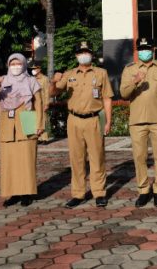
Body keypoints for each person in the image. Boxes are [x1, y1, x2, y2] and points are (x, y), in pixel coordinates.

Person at [50, 41, 113, 209]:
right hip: (74, 120)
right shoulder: (69, 74)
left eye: (86, 51)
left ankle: (99, 193)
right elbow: (54, 93)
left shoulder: (101, 73)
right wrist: (53, 82)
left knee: (97, 157)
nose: (83, 55)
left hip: (94, 119)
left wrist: (108, 121)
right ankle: (78, 194)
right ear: (76, 55)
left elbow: (107, 98)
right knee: (76, 159)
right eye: (80, 52)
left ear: (91, 54)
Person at [120, 37, 157, 208]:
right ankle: (143, 190)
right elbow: (123, 93)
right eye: (141, 48)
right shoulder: (130, 69)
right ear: (137, 50)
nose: (144, 51)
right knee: (139, 157)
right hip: (137, 121)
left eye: (147, 48)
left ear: (153, 49)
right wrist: (135, 81)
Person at [0, 54, 43, 207]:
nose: (16, 66)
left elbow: (39, 105)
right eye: (13, 63)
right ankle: (13, 193)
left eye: (19, 63)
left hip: (27, 119)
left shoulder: (31, 81)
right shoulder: (2, 81)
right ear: (8, 65)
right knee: (9, 162)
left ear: (24, 65)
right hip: (7, 124)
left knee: (27, 160)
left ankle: (27, 193)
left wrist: (40, 125)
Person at [30, 61, 52, 145]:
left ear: (39, 69)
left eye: (35, 68)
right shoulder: (32, 79)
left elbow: (47, 92)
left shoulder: (44, 79)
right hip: (33, 103)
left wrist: (47, 103)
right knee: (36, 120)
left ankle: (45, 138)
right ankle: (38, 137)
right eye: (33, 69)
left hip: (42, 102)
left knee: (43, 119)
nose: (33, 70)